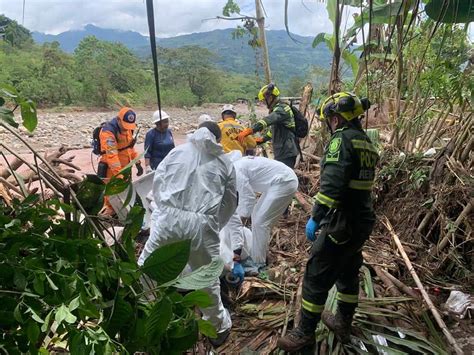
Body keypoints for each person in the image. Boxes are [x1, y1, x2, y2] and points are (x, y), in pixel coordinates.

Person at [277, 92, 377, 352]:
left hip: (342, 221)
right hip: (362, 220)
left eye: (328, 120)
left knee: (316, 274)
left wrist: (316, 217)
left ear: (335, 118)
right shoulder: (365, 141)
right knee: (347, 269)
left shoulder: (341, 141)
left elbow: (332, 187)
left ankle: (304, 333)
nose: (328, 125)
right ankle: (343, 321)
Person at [138, 121, 238, 347]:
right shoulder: (224, 162)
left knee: (147, 266)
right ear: (217, 139)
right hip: (202, 224)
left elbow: (159, 183)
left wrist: (167, 211)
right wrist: (214, 224)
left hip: (168, 220)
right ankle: (218, 327)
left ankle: (146, 310)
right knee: (208, 277)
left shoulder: (176, 152)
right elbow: (230, 202)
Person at [233, 153, 299, 268]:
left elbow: (248, 199)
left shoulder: (235, 172)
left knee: (261, 222)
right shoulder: (236, 167)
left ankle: (258, 263)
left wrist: (239, 226)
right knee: (256, 216)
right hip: (277, 182)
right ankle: (256, 255)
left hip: (285, 182)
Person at [238, 84, 298, 168]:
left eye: (264, 101)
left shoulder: (282, 109)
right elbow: (273, 130)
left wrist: (249, 130)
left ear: (270, 98)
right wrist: (262, 139)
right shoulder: (278, 109)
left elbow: (267, 120)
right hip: (282, 151)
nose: (264, 103)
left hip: (287, 152)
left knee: (283, 178)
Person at [99, 107, 143, 215]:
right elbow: (112, 156)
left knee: (125, 196)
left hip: (126, 168)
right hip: (111, 171)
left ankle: (121, 216)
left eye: (129, 126)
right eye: (124, 125)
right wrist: (119, 176)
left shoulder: (128, 129)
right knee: (110, 199)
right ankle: (105, 221)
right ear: (118, 120)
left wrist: (137, 162)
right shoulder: (108, 132)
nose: (126, 128)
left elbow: (129, 147)